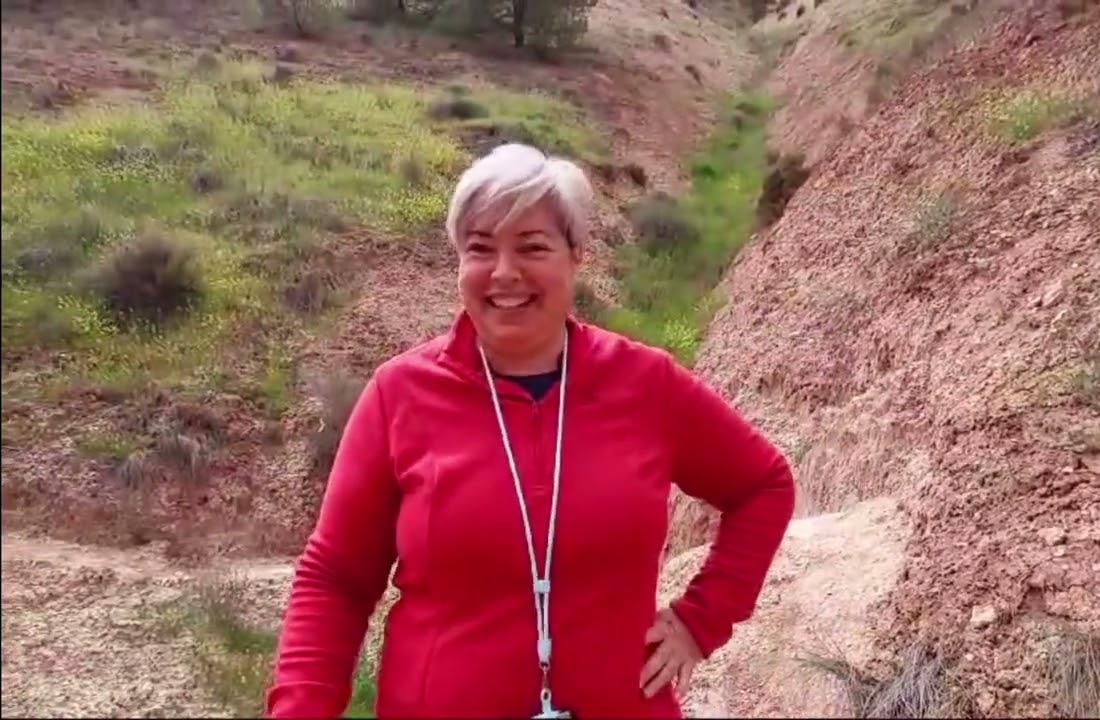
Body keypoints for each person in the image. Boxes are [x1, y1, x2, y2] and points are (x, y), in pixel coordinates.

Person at [266, 143, 796, 719]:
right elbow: (336, 579)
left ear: (577, 256)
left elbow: (763, 485)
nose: (504, 273)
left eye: (532, 247)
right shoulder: (400, 394)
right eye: (480, 248)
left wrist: (702, 619)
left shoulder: (646, 384)